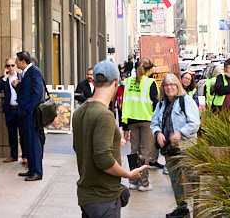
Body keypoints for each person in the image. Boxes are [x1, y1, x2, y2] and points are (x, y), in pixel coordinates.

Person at [73, 60, 147, 217]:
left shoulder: (80, 112)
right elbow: (103, 160)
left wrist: (112, 142)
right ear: (117, 82)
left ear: (93, 81)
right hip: (104, 198)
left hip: (87, 196)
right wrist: (128, 174)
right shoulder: (104, 115)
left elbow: (82, 146)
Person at [150, 73, 200, 218]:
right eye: (166, 85)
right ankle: (182, 209)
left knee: (192, 180)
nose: (169, 87)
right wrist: (158, 132)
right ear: (163, 87)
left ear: (177, 86)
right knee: (175, 180)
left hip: (186, 148)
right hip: (169, 150)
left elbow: (194, 123)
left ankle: (200, 208)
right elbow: (154, 123)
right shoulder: (161, 104)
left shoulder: (186, 101)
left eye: (172, 84)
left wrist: (180, 133)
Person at [121, 58, 159, 191]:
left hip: (131, 121)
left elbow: (124, 103)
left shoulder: (128, 81)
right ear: (149, 70)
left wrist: (124, 125)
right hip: (146, 120)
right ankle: (144, 183)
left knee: (134, 151)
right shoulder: (150, 82)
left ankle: (133, 181)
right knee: (145, 152)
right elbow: (156, 104)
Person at [12, 51, 44, 181]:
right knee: (27, 142)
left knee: (34, 142)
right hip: (24, 114)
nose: (16, 63)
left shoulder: (34, 71)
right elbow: (25, 92)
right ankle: (31, 169)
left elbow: (37, 93)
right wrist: (16, 86)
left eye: (17, 61)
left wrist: (29, 110)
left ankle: (37, 171)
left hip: (30, 114)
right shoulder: (24, 73)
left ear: (23, 62)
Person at [0, 58, 27, 165]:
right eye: (8, 66)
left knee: (22, 133)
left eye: (12, 65)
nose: (10, 68)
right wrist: (4, 78)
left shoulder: (21, 77)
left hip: (20, 109)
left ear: (16, 66)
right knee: (11, 133)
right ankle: (13, 155)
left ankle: (25, 156)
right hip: (10, 110)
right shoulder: (3, 79)